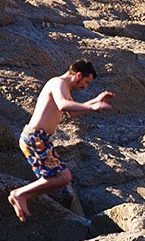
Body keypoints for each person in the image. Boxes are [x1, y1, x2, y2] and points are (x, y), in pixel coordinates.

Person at [8, 59, 114, 222]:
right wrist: (92, 107)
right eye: (86, 82)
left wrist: (96, 100)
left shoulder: (63, 86)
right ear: (78, 75)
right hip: (35, 137)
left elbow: (72, 111)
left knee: (62, 178)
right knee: (63, 177)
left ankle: (22, 195)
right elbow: (64, 105)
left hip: (41, 138)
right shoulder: (57, 83)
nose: (85, 86)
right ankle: (20, 194)